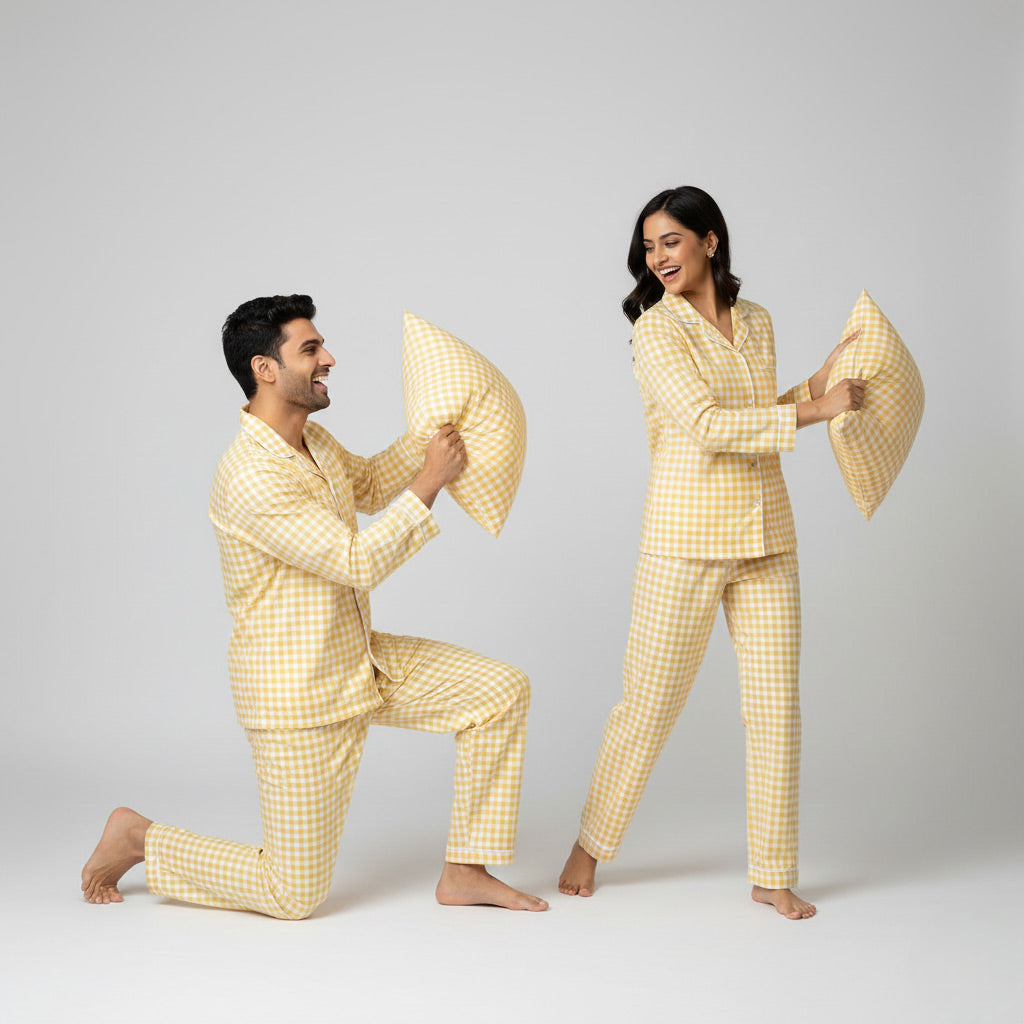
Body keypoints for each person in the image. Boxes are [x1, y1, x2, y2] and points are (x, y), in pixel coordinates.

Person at [82, 294, 547, 917]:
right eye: (310, 349)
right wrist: (432, 480)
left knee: (499, 692)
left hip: (360, 662)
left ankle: (465, 870)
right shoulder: (250, 475)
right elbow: (357, 560)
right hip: (298, 697)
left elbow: (377, 484)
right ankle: (139, 837)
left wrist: (434, 432)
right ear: (264, 369)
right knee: (292, 894)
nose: (329, 358)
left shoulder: (314, 441)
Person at [558, 187, 865, 919]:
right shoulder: (655, 333)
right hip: (685, 540)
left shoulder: (755, 321)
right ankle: (589, 845)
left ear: (710, 241)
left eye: (671, 241)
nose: (657, 256)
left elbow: (759, 405)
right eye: (649, 246)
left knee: (775, 710)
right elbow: (704, 425)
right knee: (650, 704)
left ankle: (771, 872)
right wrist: (816, 411)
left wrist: (818, 383)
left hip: (768, 536)